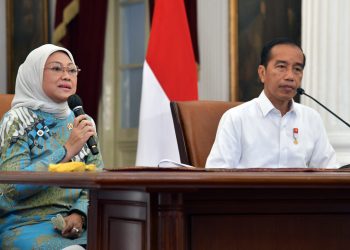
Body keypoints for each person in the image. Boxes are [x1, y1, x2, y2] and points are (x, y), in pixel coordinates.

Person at [0, 44, 104, 249]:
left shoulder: (82, 120)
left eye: (72, 70)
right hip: (26, 225)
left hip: (78, 227)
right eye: (57, 68)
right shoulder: (17, 120)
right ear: (35, 74)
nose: (66, 76)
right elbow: (11, 187)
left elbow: (97, 178)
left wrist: (80, 214)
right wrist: (65, 151)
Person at [206, 37, 339, 169]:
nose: (290, 76)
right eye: (281, 67)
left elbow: (329, 170)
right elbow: (217, 174)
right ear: (262, 73)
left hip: (299, 191)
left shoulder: (311, 118)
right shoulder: (236, 118)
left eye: (297, 69)